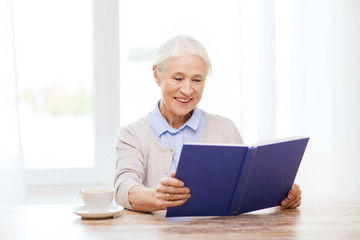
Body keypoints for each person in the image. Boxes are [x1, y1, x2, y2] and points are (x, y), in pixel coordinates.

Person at [114, 35, 302, 213]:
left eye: (197, 80)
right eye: (178, 78)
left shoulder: (226, 130)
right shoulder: (132, 135)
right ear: (157, 76)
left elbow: (243, 189)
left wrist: (283, 194)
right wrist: (156, 197)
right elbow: (123, 188)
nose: (187, 90)